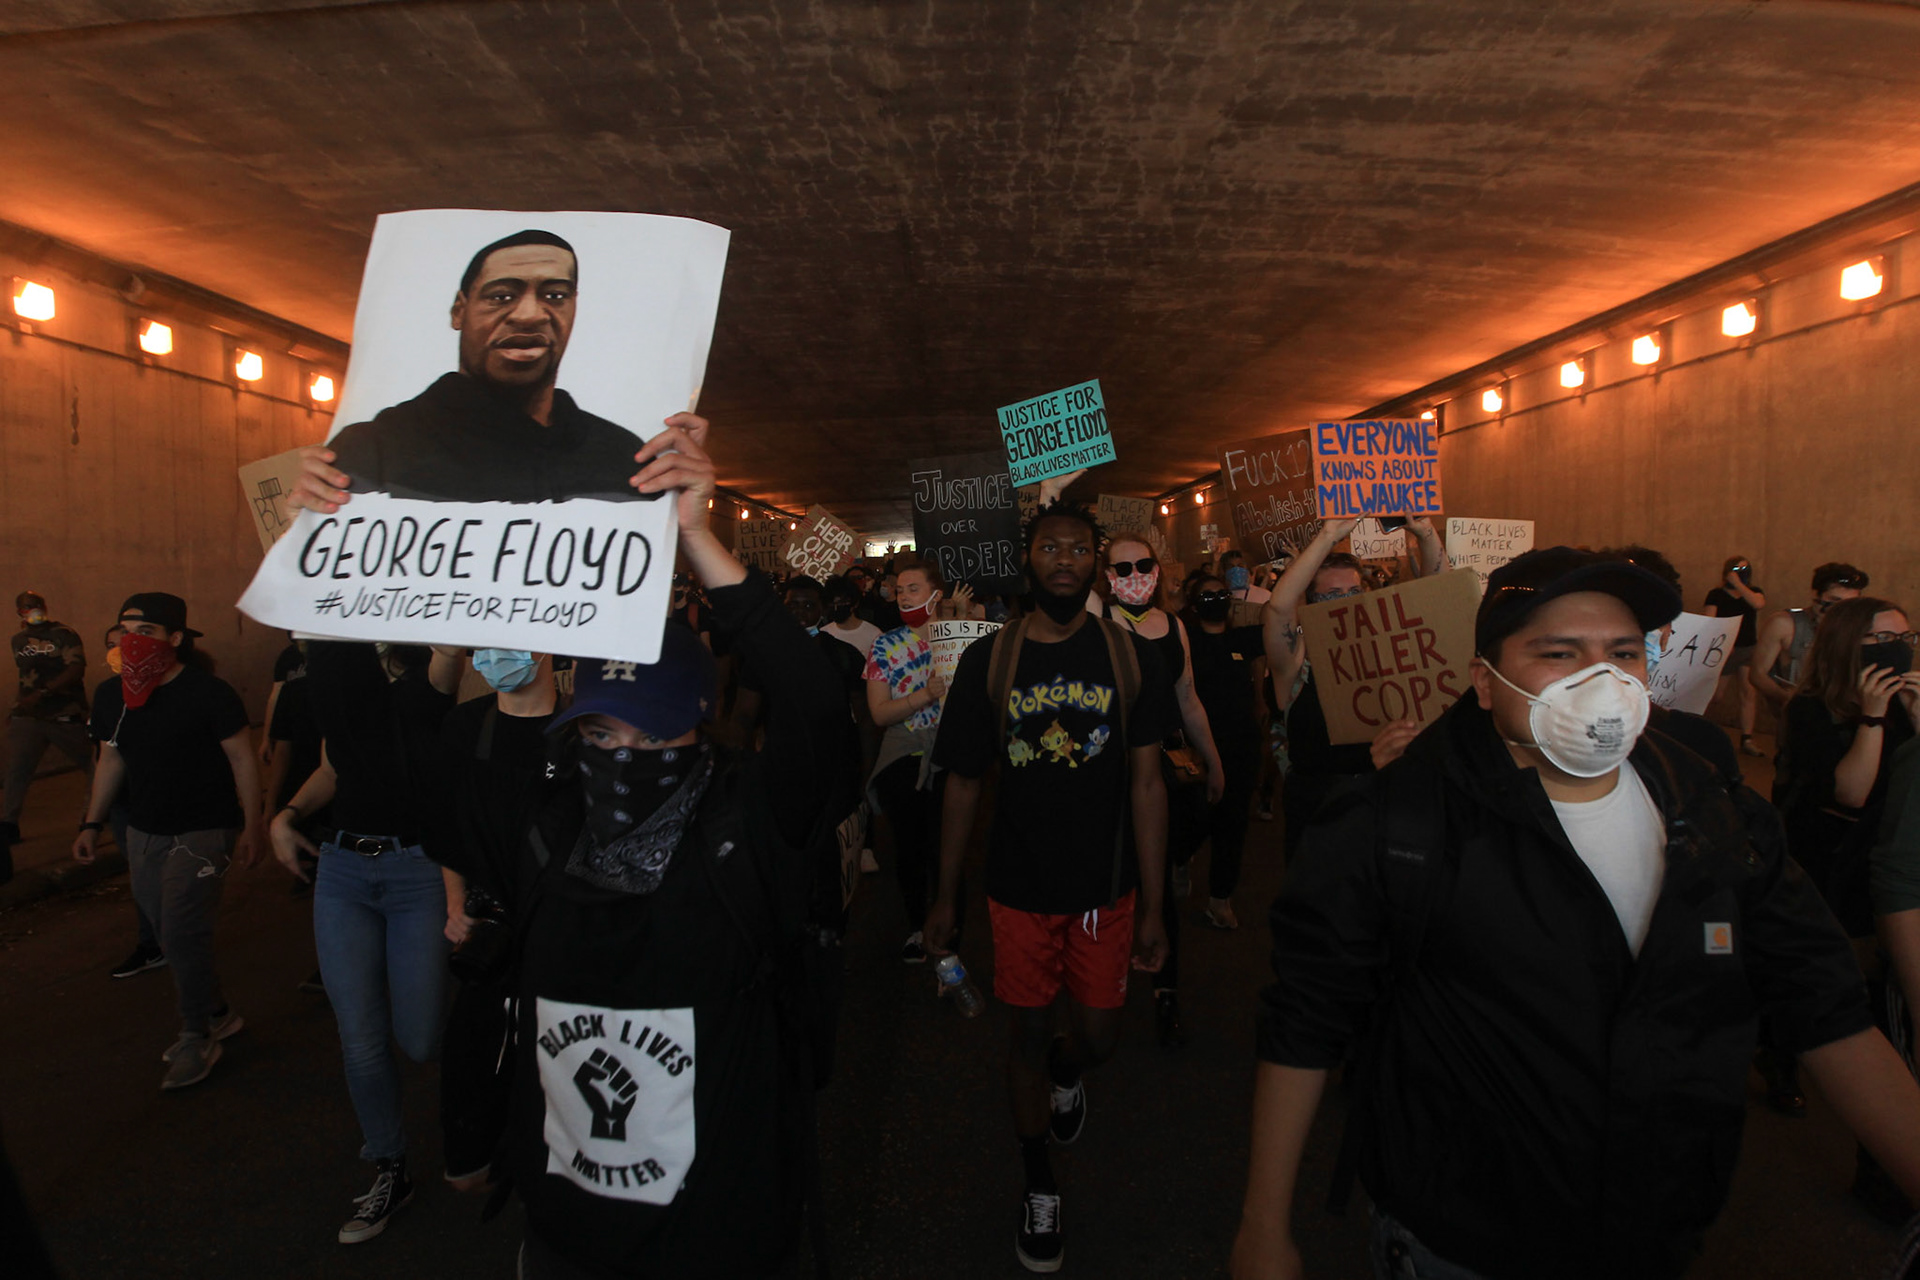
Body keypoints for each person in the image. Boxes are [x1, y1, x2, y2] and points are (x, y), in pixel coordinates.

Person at [1229, 547, 1920, 1280]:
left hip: (1657, 1233)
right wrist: (1264, 1225)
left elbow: (1825, 1007)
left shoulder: (1713, 810)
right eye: (1558, 654)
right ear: (1485, 683)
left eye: (1623, 653)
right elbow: (1308, 1015)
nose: (1600, 679)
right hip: (1463, 1242)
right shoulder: (1397, 823)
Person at [497, 414, 848, 1278]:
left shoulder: (746, 825)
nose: (623, 758)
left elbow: (814, 705)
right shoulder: (550, 830)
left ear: (700, 726)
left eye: (652, 740)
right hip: (570, 1236)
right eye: (602, 736)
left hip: (716, 1233)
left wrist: (699, 538)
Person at [926, 500, 1172, 1274]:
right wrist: (945, 896)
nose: (1064, 560)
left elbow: (1149, 784)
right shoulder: (989, 661)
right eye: (1049, 547)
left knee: (1097, 1040)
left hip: (1105, 890)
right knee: (1025, 1039)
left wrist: (1155, 905)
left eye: (1078, 549)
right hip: (1019, 889)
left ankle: (1071, 1072)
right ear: (1026, 560)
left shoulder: (1130, 656)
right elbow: (964, 783)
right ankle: (1039, 1183)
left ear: (1095, 563)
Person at [269, 638, 462, 1244]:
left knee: (420, 1037)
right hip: (343, 872)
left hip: (417, 874)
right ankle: (389, 1164)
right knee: (361, 1038)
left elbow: (447, 660)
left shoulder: (428, 676)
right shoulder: (338, 680)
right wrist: (286, 816)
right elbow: (333, 768)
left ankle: (488, 1087)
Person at [72, 593, 264, 1090]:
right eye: (125, 630)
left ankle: (196, 1035)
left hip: (204, 829)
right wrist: (91, 824)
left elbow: (242, 759)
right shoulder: (111, 694)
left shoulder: (209, 693)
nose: (131, 640)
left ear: (175, 639)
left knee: (181, 931)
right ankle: (218, 1011)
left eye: (146, 631)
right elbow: (110, 759)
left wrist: (253, 824)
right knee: (167, 932)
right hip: (144, 830)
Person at [325, 229, 651, 503]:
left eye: (554, 296)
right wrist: (303, 511)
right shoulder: (373, 450)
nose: (529, 315)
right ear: (459, 311)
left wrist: (678, 515)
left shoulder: (623, 456)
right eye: (501, 296)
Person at [423, 648, 561, 1195]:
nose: (495, 651)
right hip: (491, 934)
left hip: (558, 935)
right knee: (473, 1063)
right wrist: (456, 903)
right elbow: (446, 823)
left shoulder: (578, 731)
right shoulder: (463, 727)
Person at [1099, 533, 1224, 1048]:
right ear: (1107, 577)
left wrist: (1213, 760)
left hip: (1165, 766)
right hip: (1113, 767)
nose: (1135, 576)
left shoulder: (1174, 626)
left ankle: (1165, 988)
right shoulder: (1099, 623)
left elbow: (1187, 697)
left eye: (1143, 565)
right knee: (1115, 873)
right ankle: (1102, 985)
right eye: (1122, 568)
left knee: (1158, 876)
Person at [1261, 516, 1443, 856]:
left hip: (1383, 806)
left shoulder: (1385, 648)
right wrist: (1328, 536)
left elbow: (1439, 595)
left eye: (1353, 592)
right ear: (1310, 602)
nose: (1344, 601)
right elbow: (1278, 608)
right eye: (1331, 595)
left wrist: (1425, 532)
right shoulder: (1296, 660)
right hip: (1318, 815)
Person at [864, 560, 955, 962]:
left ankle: (950, 928)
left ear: (936, 595)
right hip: (904, 755)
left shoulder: (958, 641)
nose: (903, 596)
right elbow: (879, 713)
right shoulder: (884, 646)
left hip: (949, 755)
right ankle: (918, 926)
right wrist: (924, 695)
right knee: (911, 847)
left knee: (946, 849)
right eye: (899, 590)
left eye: (913, 589)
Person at [1181, 573, 1267, 932]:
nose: (1216, 600)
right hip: (1198, 748)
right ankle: (1179, 858)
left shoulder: (1241, 639)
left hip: (1240, 747)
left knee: (1232, 823)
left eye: (1221, 594)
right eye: (1207, 596)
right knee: (1195, 817)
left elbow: (1281, 620)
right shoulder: (1186, 641)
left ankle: (1220, 899)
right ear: (1194, 605)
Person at [3, 590, 90, 874]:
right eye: (26, 607)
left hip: (64, 713)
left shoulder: (63, 634)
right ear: (19, 612)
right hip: (29, 716)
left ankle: (92, 817)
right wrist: (17, 708)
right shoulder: (18, 641)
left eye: (36, 605)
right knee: (18, 770)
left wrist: (44, 693)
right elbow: (26, 678)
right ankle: (8, 823)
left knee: (93, 764)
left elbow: (76, 668)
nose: (33, 610)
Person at [1751, 561, 1869, 714]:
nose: (1841, 611)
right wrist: (1791, 701)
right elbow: (1757, 674)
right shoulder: (1784, 624)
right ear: (1815, 594)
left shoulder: (1857, 629)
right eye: (1834, 601)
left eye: (1849, 604)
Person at [1702, 555, 1768, 757]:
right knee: (1716, 695)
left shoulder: (1753, 592)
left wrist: (1739, 584)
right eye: (1738, 571)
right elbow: (1709, 621)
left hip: (1747, 648)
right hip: (1725, 650)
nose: (1742, 574)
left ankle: (1747, 738)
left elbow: (1758, 604)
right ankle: (1701, 729)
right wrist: (1720, 643)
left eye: (1745, 571)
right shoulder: (1716, 594)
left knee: (1748, 693)